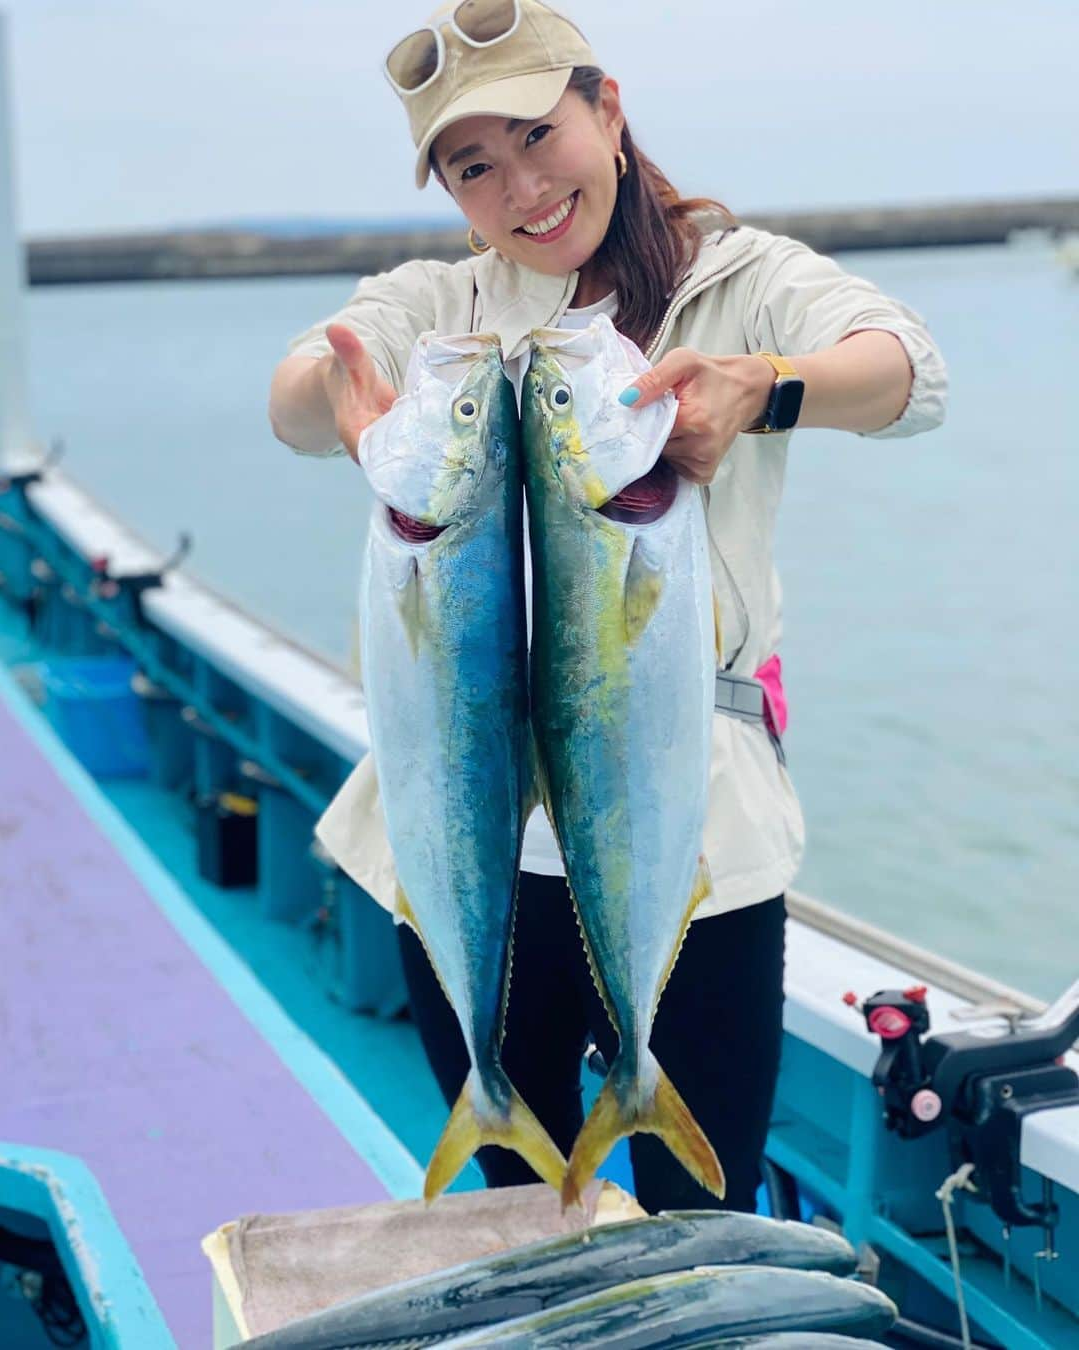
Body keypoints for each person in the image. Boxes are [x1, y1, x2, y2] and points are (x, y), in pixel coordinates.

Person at [269, 0, 947, 1214]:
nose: (522, 186)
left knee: (704, 1206)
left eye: (539, 134)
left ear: (609, 109)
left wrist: (766, 388)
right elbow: (295, 400)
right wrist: (343, 402)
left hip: (688, 831)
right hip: (464, 837)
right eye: (474, 168)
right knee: (514, 1205)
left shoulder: (739, 282)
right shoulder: (437, 308)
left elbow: (908, 371)